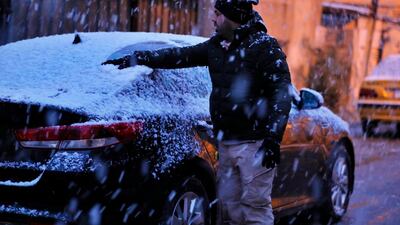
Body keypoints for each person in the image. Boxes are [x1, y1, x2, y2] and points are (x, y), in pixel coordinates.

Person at [103, 0, 292, 224]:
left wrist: (273, 137)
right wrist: (140, 57)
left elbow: (281, 92)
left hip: (255, 144)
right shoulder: (216, 46)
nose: (213, 18)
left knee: (254, 209)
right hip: (226, 142)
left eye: (218, 13)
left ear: (234, 16)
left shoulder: (264, 47)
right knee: (229, 210)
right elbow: (178, 56)